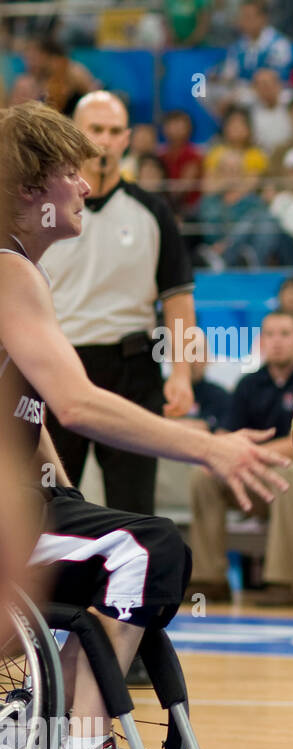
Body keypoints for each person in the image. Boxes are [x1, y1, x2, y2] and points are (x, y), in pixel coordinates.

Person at [0, 100, 287, 749]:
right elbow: (76, 405)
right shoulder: (10, 271)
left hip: (38, 476)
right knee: (146, 550)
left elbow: (28, 415)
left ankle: (39, 727)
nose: (87, 185)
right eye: (72, 172)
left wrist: (62, 493)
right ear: (33, 186)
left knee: (135, 537)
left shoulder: (38, 259)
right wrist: (210, 447)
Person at [41, 92, 201, 517]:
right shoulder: (43, 208)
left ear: (128, 138)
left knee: (134, 509)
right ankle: (43, 584)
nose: (105, 141)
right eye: (96, 129)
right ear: (73, 132)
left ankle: (135, 585)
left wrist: (180, 374)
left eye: (115, 132)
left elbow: (178, 301)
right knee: (47, 505)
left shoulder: (153, 212)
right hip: (57, 365)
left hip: (132, 368)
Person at [186, 312, 293, 606]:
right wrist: (222, 452)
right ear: (261, 342)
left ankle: (284, 583)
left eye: (285, 334)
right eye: (270, 335)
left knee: (287, 478)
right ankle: (208, 579)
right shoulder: (249, 384)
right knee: (205, 477)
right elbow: (225, 435)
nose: (276, 342)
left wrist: (245, 452)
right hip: (266, 479)